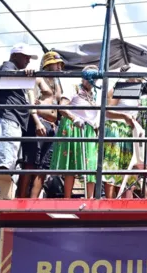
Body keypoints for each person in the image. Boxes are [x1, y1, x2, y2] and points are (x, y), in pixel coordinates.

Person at [18, 51, 64, 198]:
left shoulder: (57, 82)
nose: (59, 67)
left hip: (52, 126)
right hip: (38, 123)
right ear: (48, 63)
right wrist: (37, 121)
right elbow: (31, 101)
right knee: (30, 162)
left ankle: (33, 201)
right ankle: (22, 199)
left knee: (44, 166)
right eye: (57, 64)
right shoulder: (38, 77)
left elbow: (59, 103)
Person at [50, 66, 100, 199]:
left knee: (91, 164)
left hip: (89, 130)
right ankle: (67, 198)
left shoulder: (94, 94)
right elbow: (62, 107)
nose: (90, 81)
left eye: (94, 79)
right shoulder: (74, 88)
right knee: (71, 164)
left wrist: (96, 127)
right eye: (89, 78)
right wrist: (74, 118)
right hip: (75, 127)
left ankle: (90, 198)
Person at [0, 43, 37, 170]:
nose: (28, 60)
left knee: (10, 162)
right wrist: (21, 73)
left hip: (12, 119)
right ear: (15, 56)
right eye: (25, 57)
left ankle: (3, 187)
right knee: (5, 162)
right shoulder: (8, 65)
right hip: (7, 117)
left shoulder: (14, 70)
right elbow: (6, 73)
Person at [102, 77, 139, 198]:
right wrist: (124, 116)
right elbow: (107, 111)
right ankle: (109, 200)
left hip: (129, 133)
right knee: (113, 165)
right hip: (116, 130)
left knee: (125, 167)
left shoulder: (135, 91)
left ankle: (122, 201)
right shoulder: (117, 88)